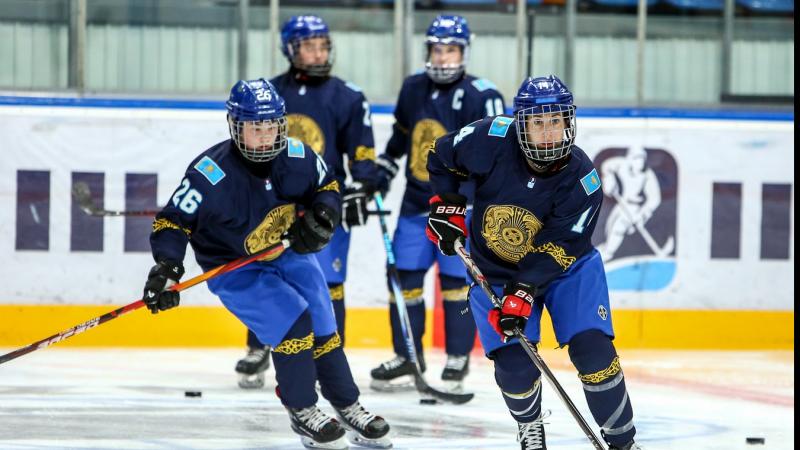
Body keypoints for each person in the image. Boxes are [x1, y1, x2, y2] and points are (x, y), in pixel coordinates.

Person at [142, 78, 391, 449]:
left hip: (287, 253)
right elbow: (172, 221)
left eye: (271, 126)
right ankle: (302, 409)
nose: (265, 136)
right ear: (235, 127)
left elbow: (328, 187)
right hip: (237, 267)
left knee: (325, 325)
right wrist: (166, 267)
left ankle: (346, 403)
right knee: (295, 323)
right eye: (255, 128)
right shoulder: (210, 173)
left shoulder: (298, 156)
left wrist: (323, 217)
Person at [425, 75, 642, 450]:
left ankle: (623, 442)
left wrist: (523, 291)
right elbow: (441, 157)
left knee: (593, 351)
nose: (547, 132)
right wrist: (448, 204)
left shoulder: (583, 179)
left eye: (555, 121)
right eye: (537, 122)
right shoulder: (489, 138)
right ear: (520, 123)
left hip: (567, 270)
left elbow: (562, 246)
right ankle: (530, 425)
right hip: (493, 269)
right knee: (514, 364)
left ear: (568, 122)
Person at [235, 15, 389, 389]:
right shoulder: (268, 94)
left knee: (328, 283)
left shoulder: (348, 96)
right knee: (266, 273)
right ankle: (260, 347)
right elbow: (246, 147)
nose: (318, 53)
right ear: (290, 49)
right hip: (276, 204)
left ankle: (329, 354)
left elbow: (362, 156)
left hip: (323, 204)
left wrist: (364, 186)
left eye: (323, 45)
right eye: (309, 46)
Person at [370, 14, 505, 393]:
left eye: (451, 50)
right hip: (416, 203)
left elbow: (496, 156)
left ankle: (457, 357)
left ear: (463, 52)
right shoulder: (413, 88)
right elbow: (400, 139)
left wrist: (478, 205)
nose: (443, 58)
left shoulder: (484, 95)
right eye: (437, 49)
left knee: (455, 282)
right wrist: (382, 171)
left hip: (460, 208)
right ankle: (408, 354)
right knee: (404, 278)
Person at [596, 145, 662, 262]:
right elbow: (607, 166)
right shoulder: (621, 164)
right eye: (636, 158)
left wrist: (643, 214)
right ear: (630, 159)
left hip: (635, 207)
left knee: (618, 228)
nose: (640, 162)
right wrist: (609, 179)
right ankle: (605, 249)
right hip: (621, 203)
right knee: (610, 227)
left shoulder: (648, 175)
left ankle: (607, 254)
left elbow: (655, 199)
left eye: (642, 159)